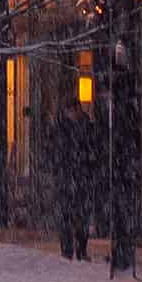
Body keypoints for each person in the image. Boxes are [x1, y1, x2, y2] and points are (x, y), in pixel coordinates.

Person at [49, 100, 100, 262]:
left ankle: (77, 249)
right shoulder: (66, 129)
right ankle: (70, 249)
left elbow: (89, 150)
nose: (70, 114)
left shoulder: (80, 128)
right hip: (72, 177)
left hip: (77, 177)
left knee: (78, 215)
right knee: (69, 215)